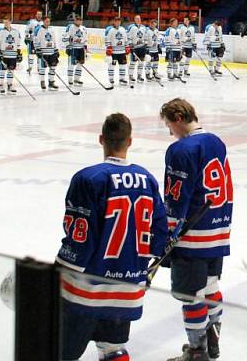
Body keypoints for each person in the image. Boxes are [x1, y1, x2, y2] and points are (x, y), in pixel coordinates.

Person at [56, 113, 167, 361]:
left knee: (62, 350)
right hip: (127, 289)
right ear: (130, 141)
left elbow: (80, 237)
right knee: (112, 347)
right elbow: (159, 235)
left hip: (86, 290)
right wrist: (145, 266)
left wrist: (57, 269)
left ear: (101, 139)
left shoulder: (88, 178)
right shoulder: (148, 179)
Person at [160, 99, 233, 361]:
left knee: (190, 295)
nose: (170, 132)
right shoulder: (216, 141)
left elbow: (175, 198)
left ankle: (197, 350)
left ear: (179, 117)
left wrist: (167, 234)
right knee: (211, 285)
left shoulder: (180, 149)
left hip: (193, 236)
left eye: (169, 125)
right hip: (218, 228)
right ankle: (212, 337)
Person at [0, 18, 22, 96]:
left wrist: (18, 52)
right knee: (2, 70)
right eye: (4, 22)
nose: (5, 23)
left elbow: (18, 42)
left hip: (12, 55)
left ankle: (10, 85)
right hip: (4, 54)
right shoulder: (0, 31)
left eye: (7, 22)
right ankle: (1, 85)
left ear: (10, 22)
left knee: (11, 71)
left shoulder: (16, 32)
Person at [33, 16, 60, 91]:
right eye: (46, 21)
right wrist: (37, 50)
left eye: (49, 21)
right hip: (43, 52)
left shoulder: (51, 29)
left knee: (53, 67)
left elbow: (53, 40)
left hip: (51, 51)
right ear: (43, 21)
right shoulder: (39, 29)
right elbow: (35, 40)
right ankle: (42, 81)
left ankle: (51, 82)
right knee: (43, 68)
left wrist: (56, 50)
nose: (48, 22)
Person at [62, 15, 88, 87]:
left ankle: (77, 79)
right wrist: (68, 47)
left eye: (80, 20)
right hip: (73, 48)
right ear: (75, 20)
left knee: (80, 64)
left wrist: (85, 47)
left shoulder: (84, 28)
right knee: (71, 64)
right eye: (77, 20)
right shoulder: (70, 27)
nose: (79, 21)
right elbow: (64, 38)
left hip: (81, 49)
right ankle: (70, 80)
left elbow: (85, 39)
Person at [105, 16, 130, 87]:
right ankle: (111, 78)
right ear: (114, 22)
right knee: (112, 65)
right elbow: (107, 40)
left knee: (123, 65)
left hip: (122, 52)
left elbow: (125, 39)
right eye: (116, 21)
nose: (118, 23)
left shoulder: (123, 29)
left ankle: (122, 79)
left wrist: (127, 47)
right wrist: (109, 48)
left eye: (119, 21)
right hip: (114, 52)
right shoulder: (111, 30)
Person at [127, 15, 148, 84]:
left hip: (142, 48)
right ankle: (131, 75)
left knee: (141, 62)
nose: (138, 20)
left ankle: (139, 76)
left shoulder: (144, 27)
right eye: (136, 18)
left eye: (139, 18)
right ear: (134, 20)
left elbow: (146, 37)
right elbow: (128, 37)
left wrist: (145, 43)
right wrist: (130, 44)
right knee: (133, 62)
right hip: (134, 48)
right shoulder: (131, 27)